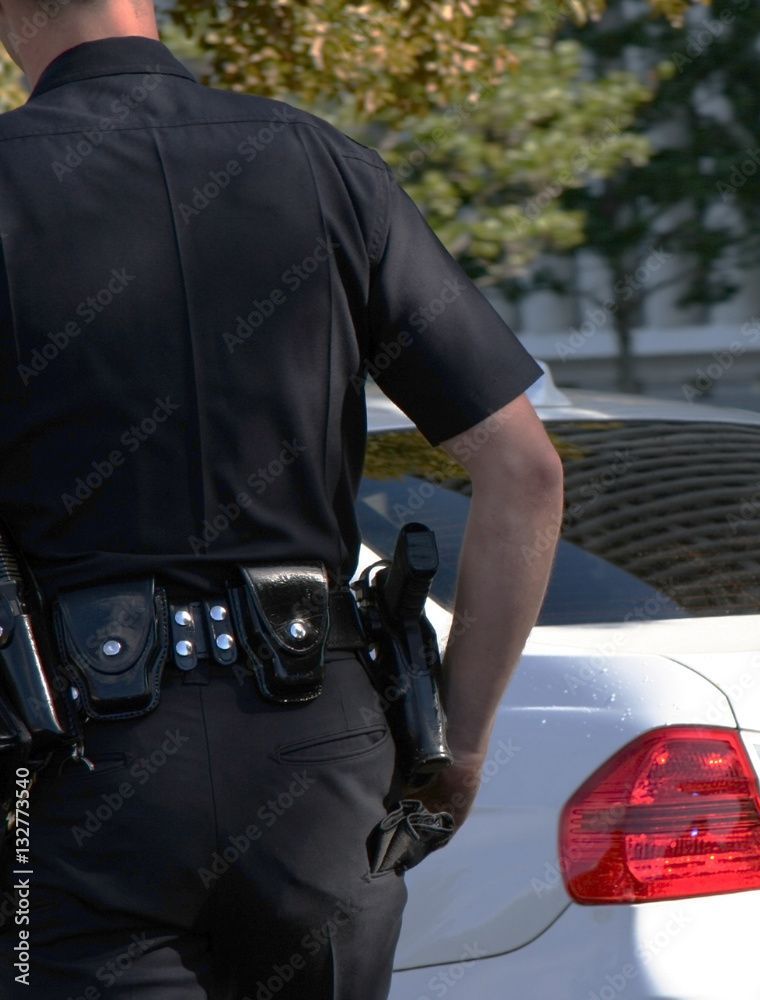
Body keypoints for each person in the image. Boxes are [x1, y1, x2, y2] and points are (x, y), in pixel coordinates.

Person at [0, 1, 564, 997]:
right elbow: (523, 471)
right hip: (317, 755)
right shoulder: (326, 164)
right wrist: (459, 743)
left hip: (74, 765)